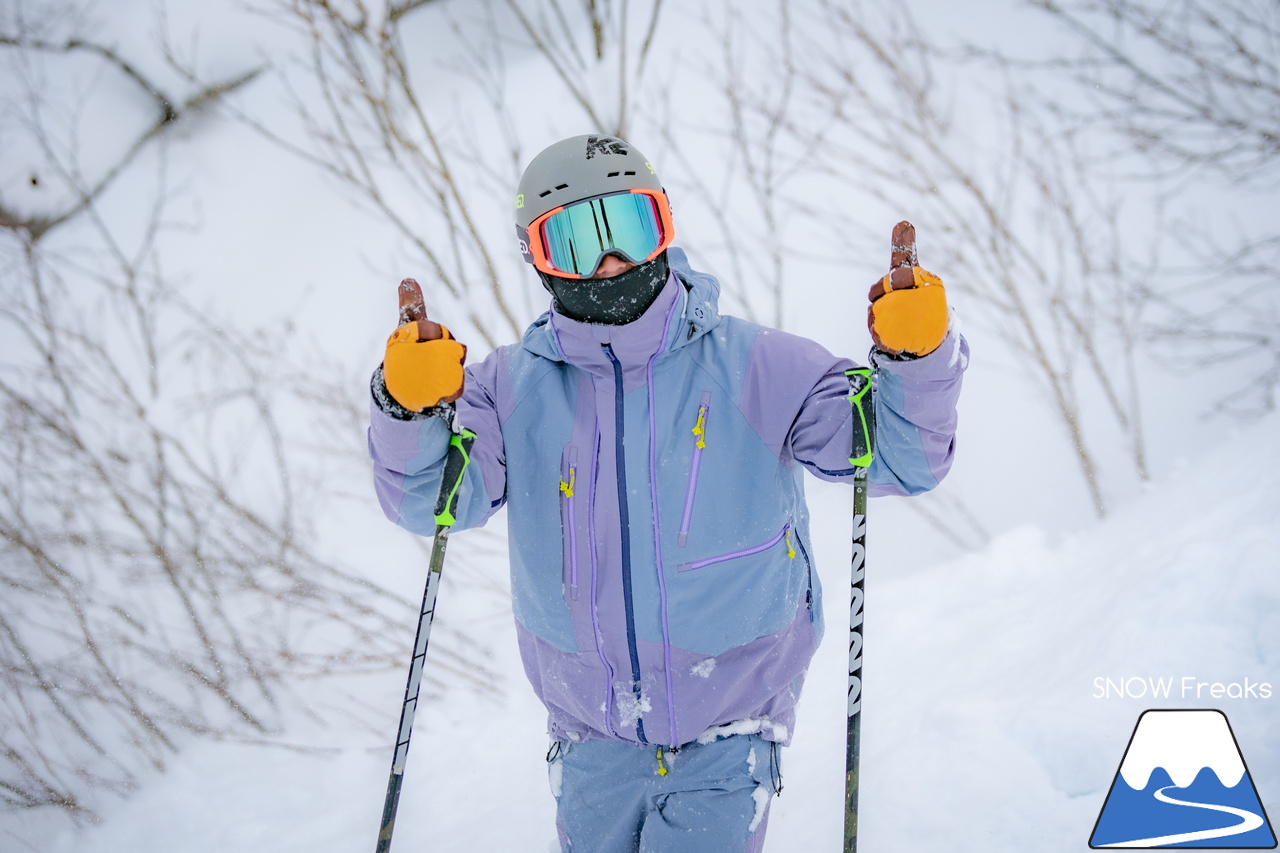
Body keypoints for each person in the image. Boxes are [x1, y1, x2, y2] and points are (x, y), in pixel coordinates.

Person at [368, 134, 967, 852]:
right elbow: (431, 500)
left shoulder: (754, 365)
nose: (609, 263)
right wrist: (409, 411)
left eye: (628, 228)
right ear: (538, 258)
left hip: (730, 723)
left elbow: (900, 455)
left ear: (663, 228)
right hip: (589, 735)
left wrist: (915, 358)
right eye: (574, 242)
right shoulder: (511, 390)